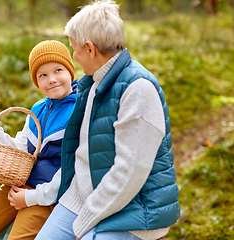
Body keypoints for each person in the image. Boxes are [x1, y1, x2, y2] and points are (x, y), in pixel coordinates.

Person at [35, 1, 180, 240]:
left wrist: (86, 221)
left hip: (132, 210)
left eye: (75, 49)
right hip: (82, 198)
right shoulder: (94, 83)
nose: (74, 56)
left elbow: (129, 175)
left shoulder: (138, 90)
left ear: (90, 49)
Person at [0, 40, 77, 240]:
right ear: (36, 81)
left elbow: (71, 171)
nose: (52, 80)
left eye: (58, 70)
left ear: (70, 71)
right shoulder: (38, 109)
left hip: (47, 197)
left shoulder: (79, 112)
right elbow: (21, 149)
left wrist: (31, 198)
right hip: (19, 184)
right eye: (43, 75)